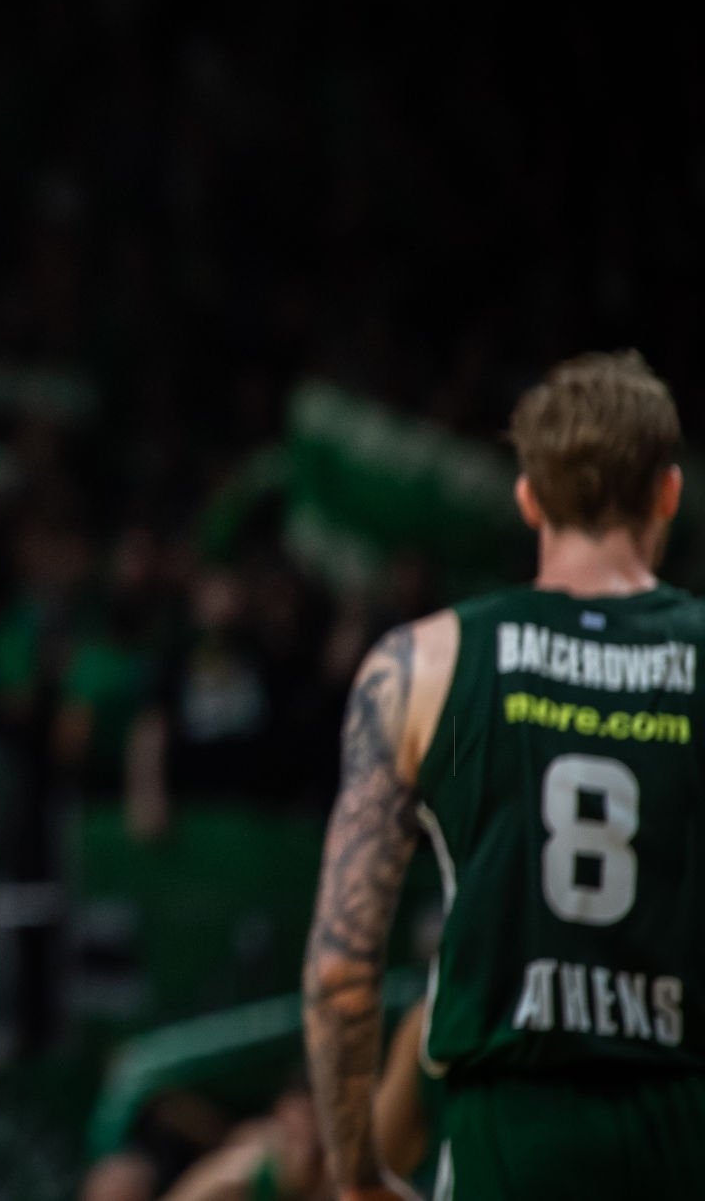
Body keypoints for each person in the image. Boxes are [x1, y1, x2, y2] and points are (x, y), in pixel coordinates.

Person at [303, 350, 703, 1200]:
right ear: (669, 492)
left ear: (527, 497)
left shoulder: (420, 664)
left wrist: (357, 1170)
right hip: (681, 1128)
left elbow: (341, 968)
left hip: (506, 1141)